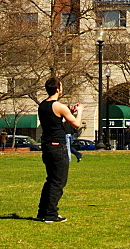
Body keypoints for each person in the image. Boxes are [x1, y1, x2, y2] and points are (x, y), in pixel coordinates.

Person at [36, 77, 84, 224]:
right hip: (58, 147)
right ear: (58, 89)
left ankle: (42, 212)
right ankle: (51, 214)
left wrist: (69, 111)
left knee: (50, 180)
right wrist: (79, 112)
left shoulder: (43, 105)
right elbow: (76, 124)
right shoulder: (59, 106)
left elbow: (56, 120)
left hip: (47, 146)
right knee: (58, 182)